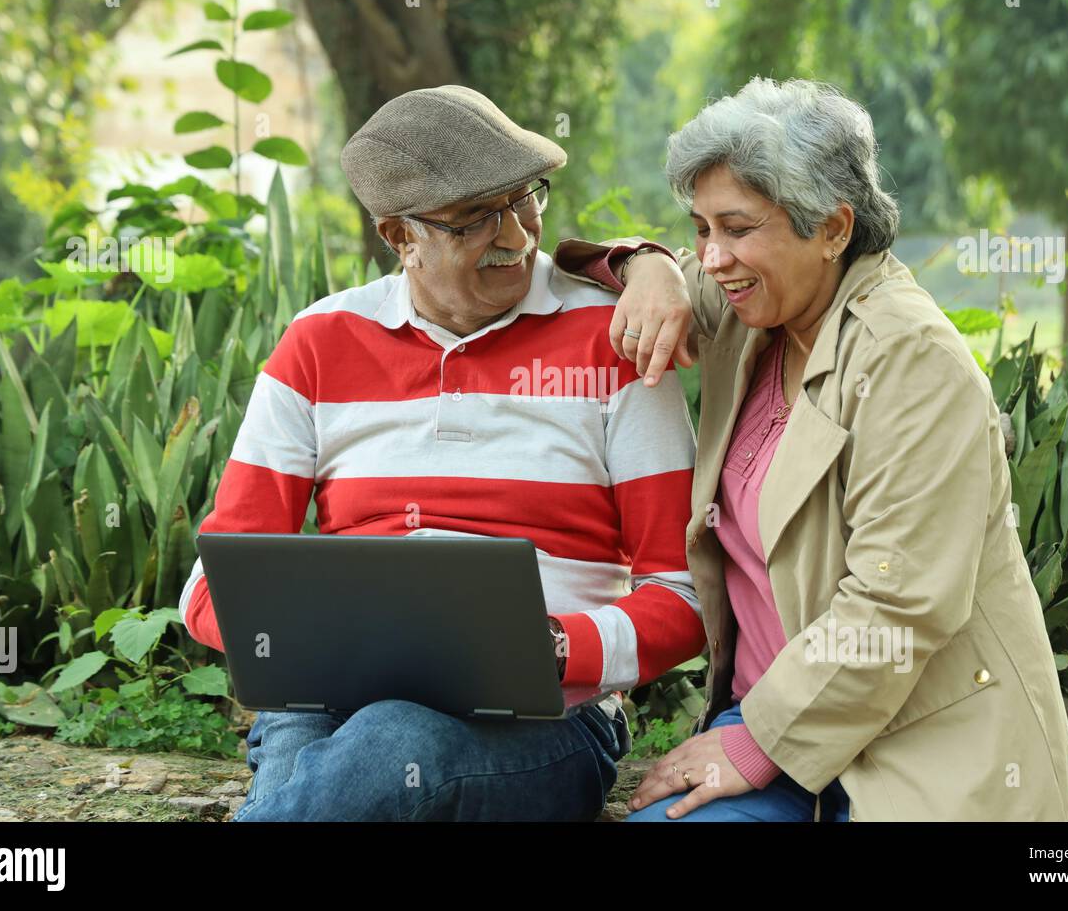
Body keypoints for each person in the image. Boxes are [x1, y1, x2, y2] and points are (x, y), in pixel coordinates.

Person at [553, 76, 1068, 821]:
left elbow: (898, 607)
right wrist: (649, 265)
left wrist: (748, 746)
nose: (712, 257)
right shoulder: (753, 308)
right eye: (702, 228)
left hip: (914, 744)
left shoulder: (910, 359)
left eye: (737, 228)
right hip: (774, 718)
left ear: (833, 229)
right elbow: (608, 270)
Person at [179, 85, 705, 821]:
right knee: (368, 745)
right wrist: (322, 634)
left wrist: (549, 647)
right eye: (475, 221)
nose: (519, 237)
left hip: (546, 724)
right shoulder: (319, 343)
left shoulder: (612, 341)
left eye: (525, 200)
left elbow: (683, 595)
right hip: (329, 706)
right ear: (400, 237)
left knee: (388, 742)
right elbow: (212, 581)